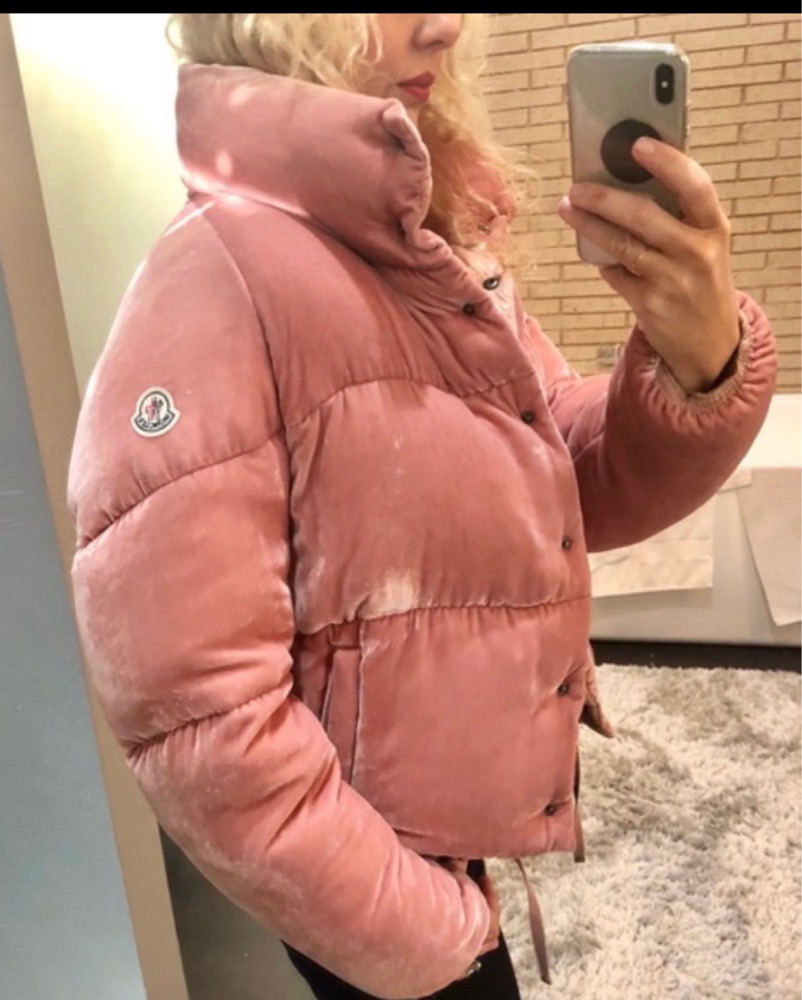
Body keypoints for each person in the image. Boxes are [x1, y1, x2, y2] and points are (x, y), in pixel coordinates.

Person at [67, 13, 776, 1000]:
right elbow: (198, 715)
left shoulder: (424, 234)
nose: (447, 26)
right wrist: (429, 929)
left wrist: (696, 360)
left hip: (442, 831)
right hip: (373, 872)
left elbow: (555, 469)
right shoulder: (212, 281)